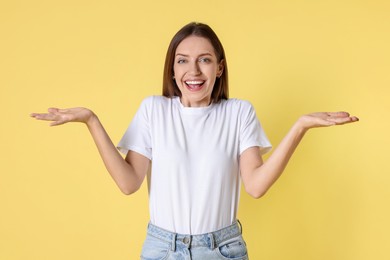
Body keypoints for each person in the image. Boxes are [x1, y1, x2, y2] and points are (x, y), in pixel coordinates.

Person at [31, 22, 358, 260]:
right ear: (172, 70)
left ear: (219, 68)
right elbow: (129, 182)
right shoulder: (153, 110)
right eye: (183, 60)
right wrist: (91, 120)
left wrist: (300, 126)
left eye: (204, 59)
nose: (194, 70)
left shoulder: (238, 113)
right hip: (162, 249)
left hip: (223, 250)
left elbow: (256, 186)